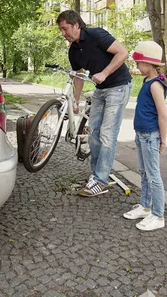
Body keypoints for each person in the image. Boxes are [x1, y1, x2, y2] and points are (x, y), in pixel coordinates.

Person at [56, 10, 132, 197]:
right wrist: (75, 100)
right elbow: (79, 77)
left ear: (76, 25)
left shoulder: (96, 34)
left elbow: (123, 53)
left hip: (119, 86)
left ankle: (101, 180)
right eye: (61, 30)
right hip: (100, 90)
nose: (63, 33)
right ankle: (97, 175)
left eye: (65, 28)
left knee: (107, 135)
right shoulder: (73, 50)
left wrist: (104, 73)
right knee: (93, 133)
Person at [123, 41, 167, 231]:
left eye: (139, 63)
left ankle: (158, 216)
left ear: (149, 64)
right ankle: (146, 206)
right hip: (141, 135)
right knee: (144, 173)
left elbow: (163, 114)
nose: (137, 67)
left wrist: (163, 139)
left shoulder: (155, 85)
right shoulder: (147, 81)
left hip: (151, 136)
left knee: (154, 176)